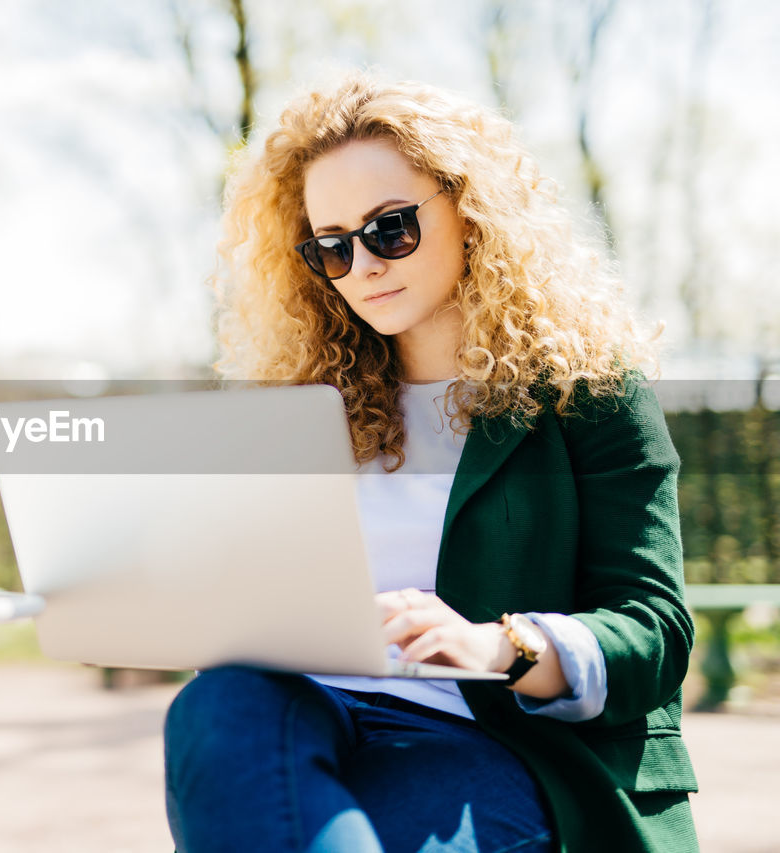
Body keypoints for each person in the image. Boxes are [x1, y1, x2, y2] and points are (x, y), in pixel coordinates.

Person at [163, 71, 699, 853]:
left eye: (390, 229)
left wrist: (499, 646)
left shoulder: (590, 395)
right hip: (302, 707)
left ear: (470, 208)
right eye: (331, 249)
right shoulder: (301, 405)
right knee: (214, 705)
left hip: (489, 737)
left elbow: (654, 630)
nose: (365, 268)